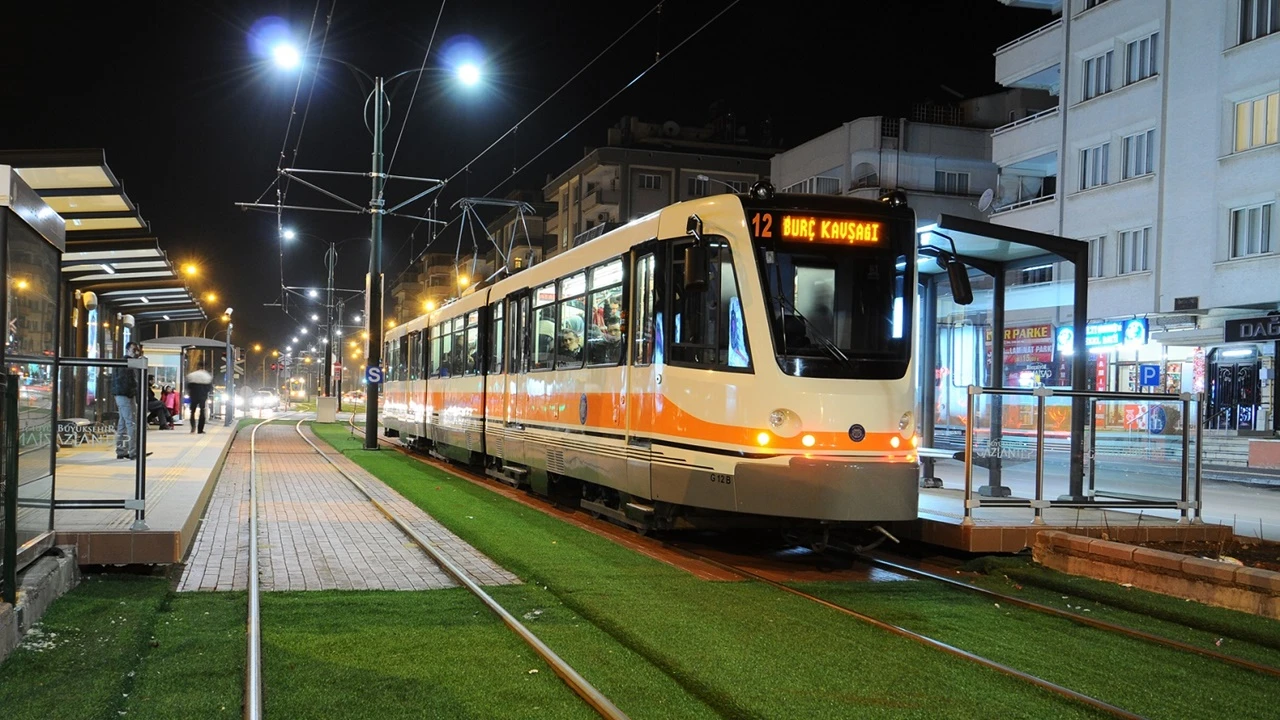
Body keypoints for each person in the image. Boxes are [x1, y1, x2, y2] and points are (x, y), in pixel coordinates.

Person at [112, 342, 152, 460]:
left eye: (137, 350)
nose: (136, 353)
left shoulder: (125, 362)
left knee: (123, 423)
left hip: (122, 395)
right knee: (131, 422)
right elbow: (129, 381)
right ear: (128, 350)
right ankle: (134, 451)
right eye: (134, 350)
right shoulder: (128, 363)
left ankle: (121, 450)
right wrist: (134, 393)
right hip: (126, 395)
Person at [186, 363, 213, 434]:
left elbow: (188, 386)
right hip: (202, 396)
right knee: (202, 411)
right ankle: (200, 429)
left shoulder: (191, 375)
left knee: (192, 412)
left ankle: (193, 427)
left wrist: (190, 392)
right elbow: (210, 387)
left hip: (193, 395)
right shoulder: (207, 376)